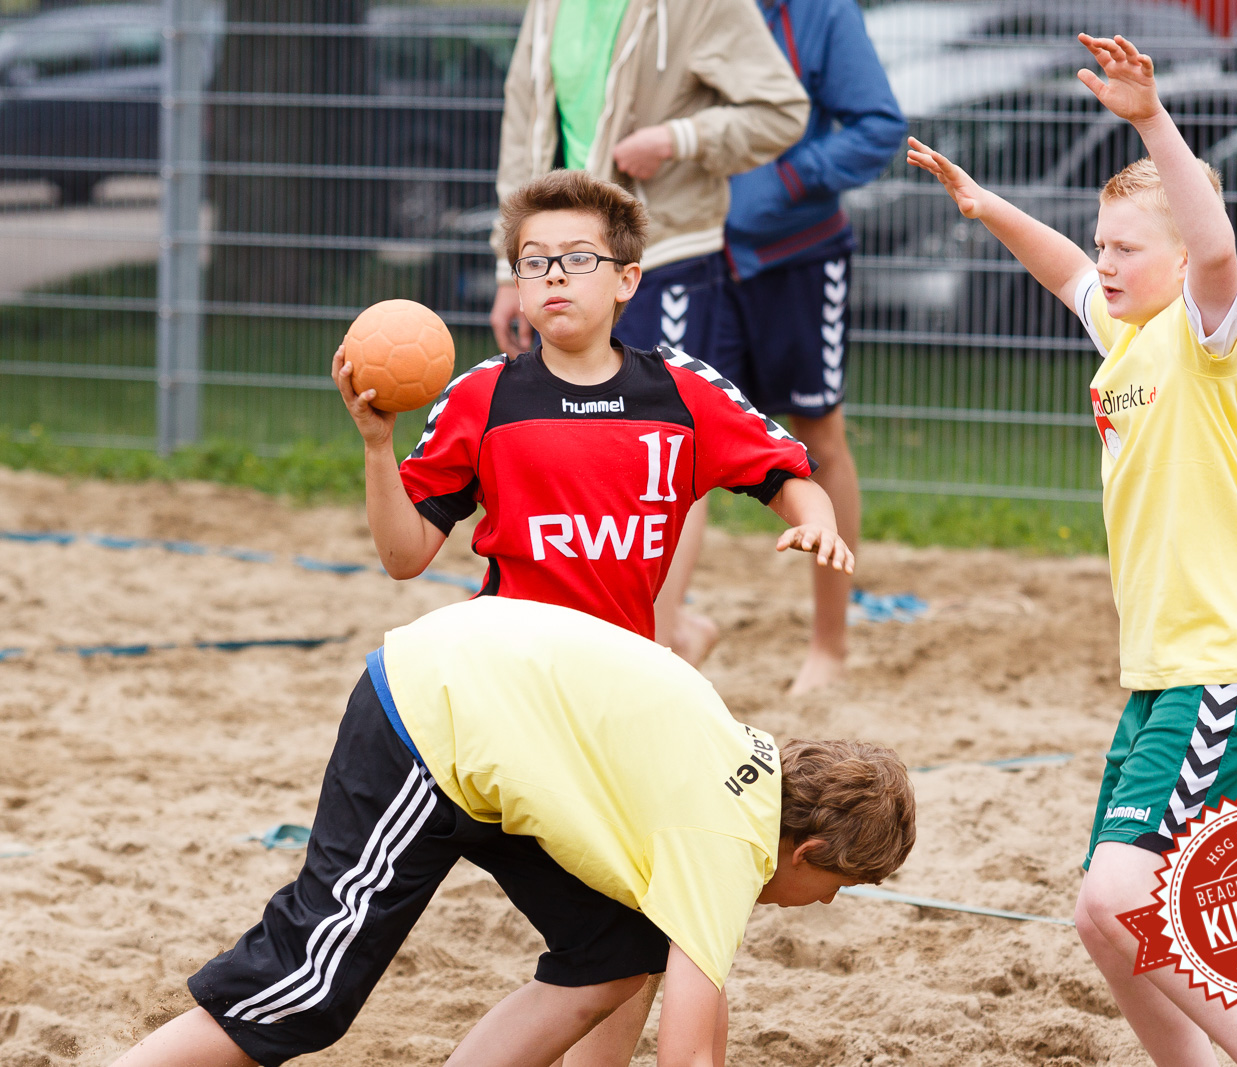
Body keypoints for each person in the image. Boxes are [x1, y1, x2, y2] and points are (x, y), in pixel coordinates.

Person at [908, 34, 1237, 1066]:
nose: (1109, 262)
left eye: (1130, 248)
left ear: (1180, 261)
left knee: (1120, 897)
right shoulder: (1128, 339)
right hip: (1164, 672)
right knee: (1103, 916)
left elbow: (1214, 247)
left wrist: (1151, 120)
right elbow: (1065, 269)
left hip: (1228, 664)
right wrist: (985, 205)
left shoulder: (1207, 334)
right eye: (1107, 244)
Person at [108, 596, 917, 1067]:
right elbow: (689, 1052)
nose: (822, 903)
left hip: (497, 731)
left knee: (615, 952)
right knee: (305, 986)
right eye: (836, 887)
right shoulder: (730, 844)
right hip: (432, 719)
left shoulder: (749, 769)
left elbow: (703, 1006)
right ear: (809, 850)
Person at [336, 170, 854, 644]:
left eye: (579, 258)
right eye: (534, 262)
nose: (554, 275)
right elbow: (403, 559)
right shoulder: (480, 396)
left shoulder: (684, 391)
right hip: (508, 656)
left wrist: (817, 523)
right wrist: (378, 445)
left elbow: (789, 480)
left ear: (626, 280)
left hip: (621, 661)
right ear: (518, 285)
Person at [486, 0, 811, 664]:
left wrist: (677, 139)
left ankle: (658, 639)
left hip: (667, 251)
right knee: (584, 441)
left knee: (665, 446)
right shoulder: (549, 7)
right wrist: (509, 267)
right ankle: (662, 632)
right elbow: (523, 129)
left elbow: (782, 111)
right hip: (569, 262)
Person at [711, 0, 907, 694]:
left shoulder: (821, 12)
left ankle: (830, 647)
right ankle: (664, 632)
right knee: (671, 437)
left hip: (798, 254)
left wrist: (787, 180)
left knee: (819, 437)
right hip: (695, 253)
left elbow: (880, 125)